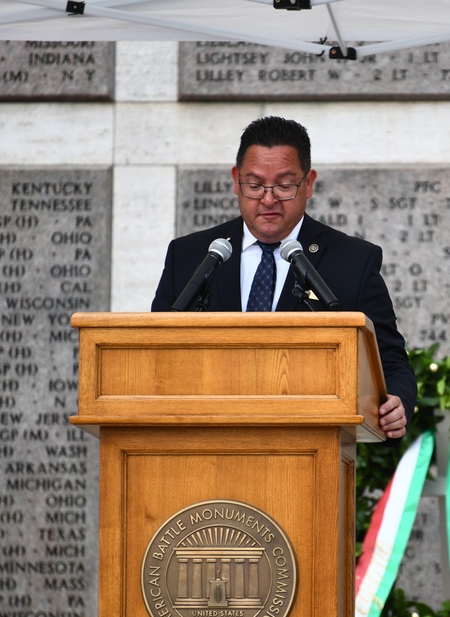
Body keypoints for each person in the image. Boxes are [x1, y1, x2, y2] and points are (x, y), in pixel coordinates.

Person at [152, 116, 415, 439]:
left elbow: (388, 358)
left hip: (310, 446)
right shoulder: (191, 256)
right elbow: (156, 351)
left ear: (309, 183)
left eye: (284, 185)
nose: (268, 199)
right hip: (204, 444)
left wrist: (398, 402)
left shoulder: (353, 261)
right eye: (255, 184)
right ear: (236, 181)